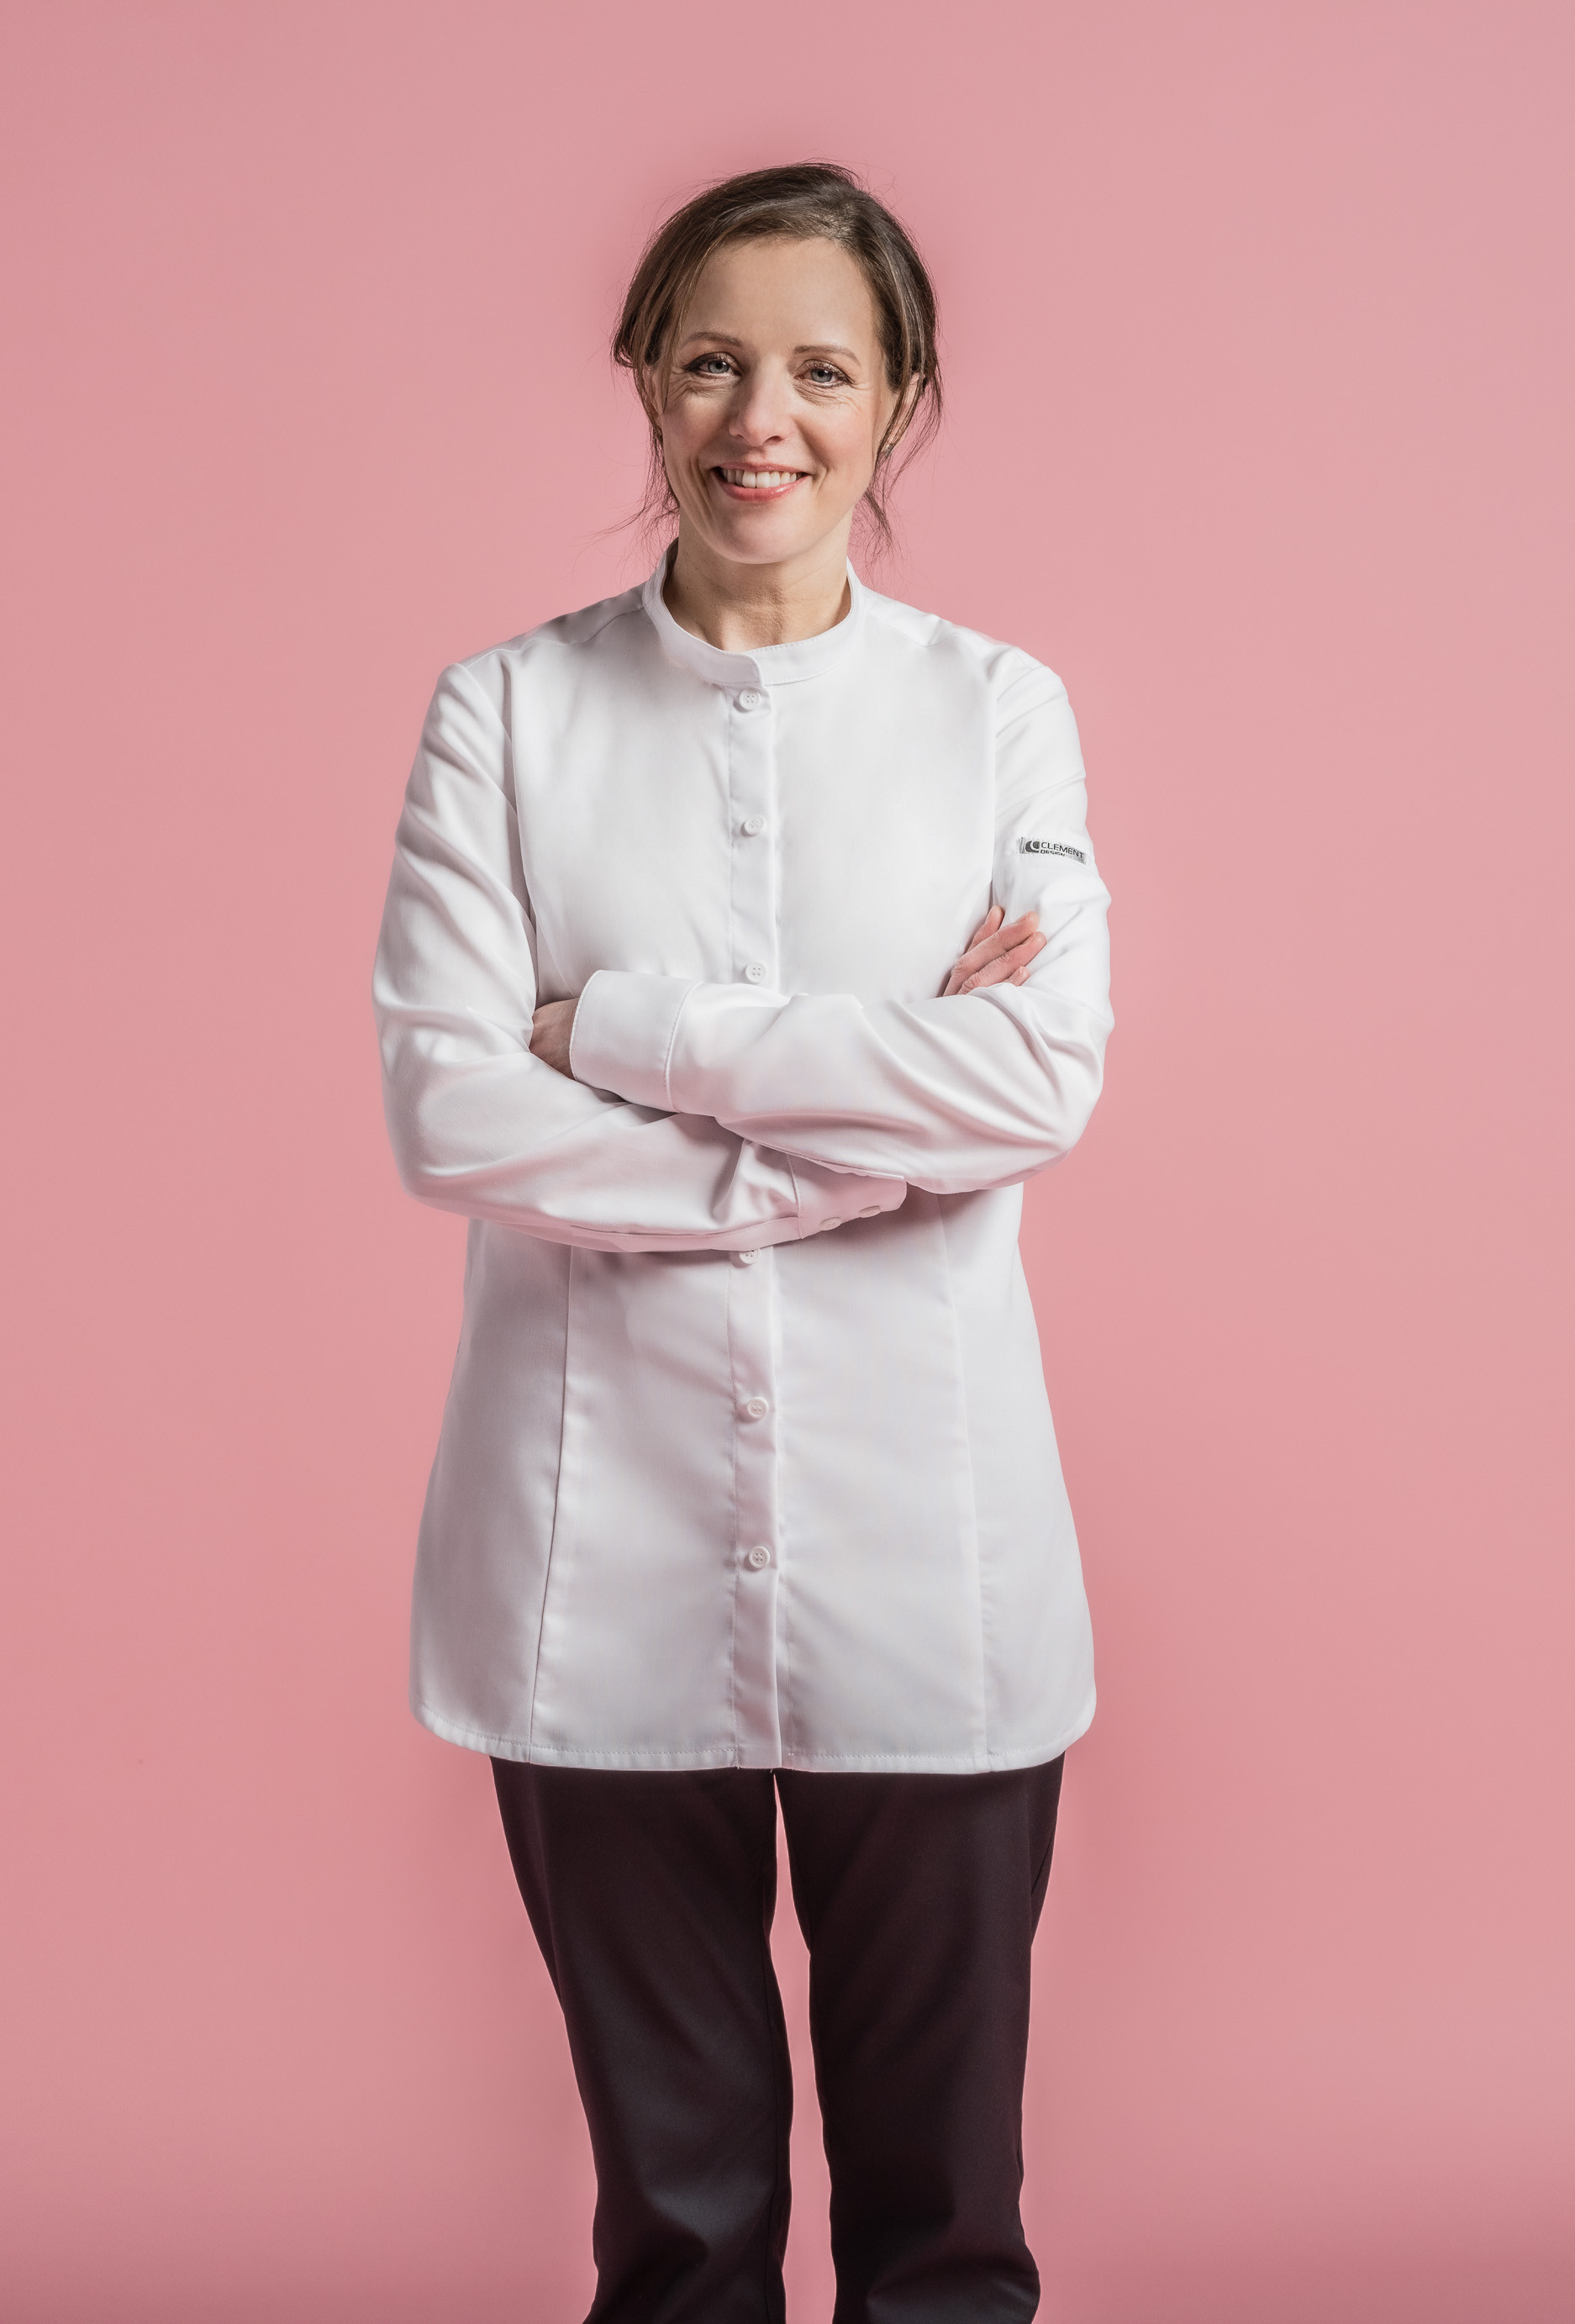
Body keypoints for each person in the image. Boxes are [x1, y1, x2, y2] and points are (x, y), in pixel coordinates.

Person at [373, 161, 1112, 2324]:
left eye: (820, 370)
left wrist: (624, 1033)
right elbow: (450, 1110)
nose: (759, 419)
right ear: (642, 378)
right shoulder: (504, 715)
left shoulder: (998, 711)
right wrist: (847, 1148)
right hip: (592, 1558)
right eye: (710, 361)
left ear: (901, 400)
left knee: (944, 2236)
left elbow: (1033, 1081)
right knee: (681, 2237)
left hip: (932, 1563)